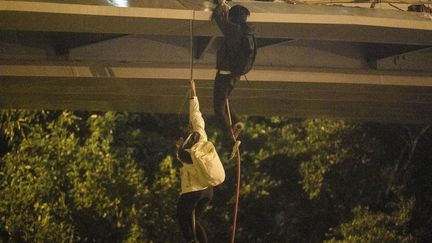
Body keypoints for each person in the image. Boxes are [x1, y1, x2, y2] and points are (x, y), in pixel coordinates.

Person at [176, 79, 213, 243]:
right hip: (207, 190)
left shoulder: (184, 153)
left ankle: (191, 241)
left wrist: (179, 147)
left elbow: (183, 156)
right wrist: (193, 91)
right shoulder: (201, 135)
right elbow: (196, 113)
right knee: (194, 220)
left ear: (181, 140)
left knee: (182, 216)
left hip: (194, 190)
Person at [212, 0, 255, 139]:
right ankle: (237, 122)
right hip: (236, 74)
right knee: (225, 100)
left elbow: (218, 18)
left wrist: (221, 5)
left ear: (233, 17)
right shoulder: (247, 32)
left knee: (218, 109)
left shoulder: (233, 29)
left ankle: (230, 134)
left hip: (225, 74)